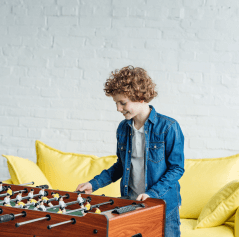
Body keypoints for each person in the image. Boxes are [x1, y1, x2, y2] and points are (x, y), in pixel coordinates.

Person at [75, 66, 184, 237]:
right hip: (131, 205)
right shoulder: (123, 128)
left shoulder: (168, 127)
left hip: (163, 206)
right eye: (116, 103)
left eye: (123, 103)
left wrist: (152, 194)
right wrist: (93, 184)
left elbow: (177, 168)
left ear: (140, 97)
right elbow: (120, 166)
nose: (118, 108)